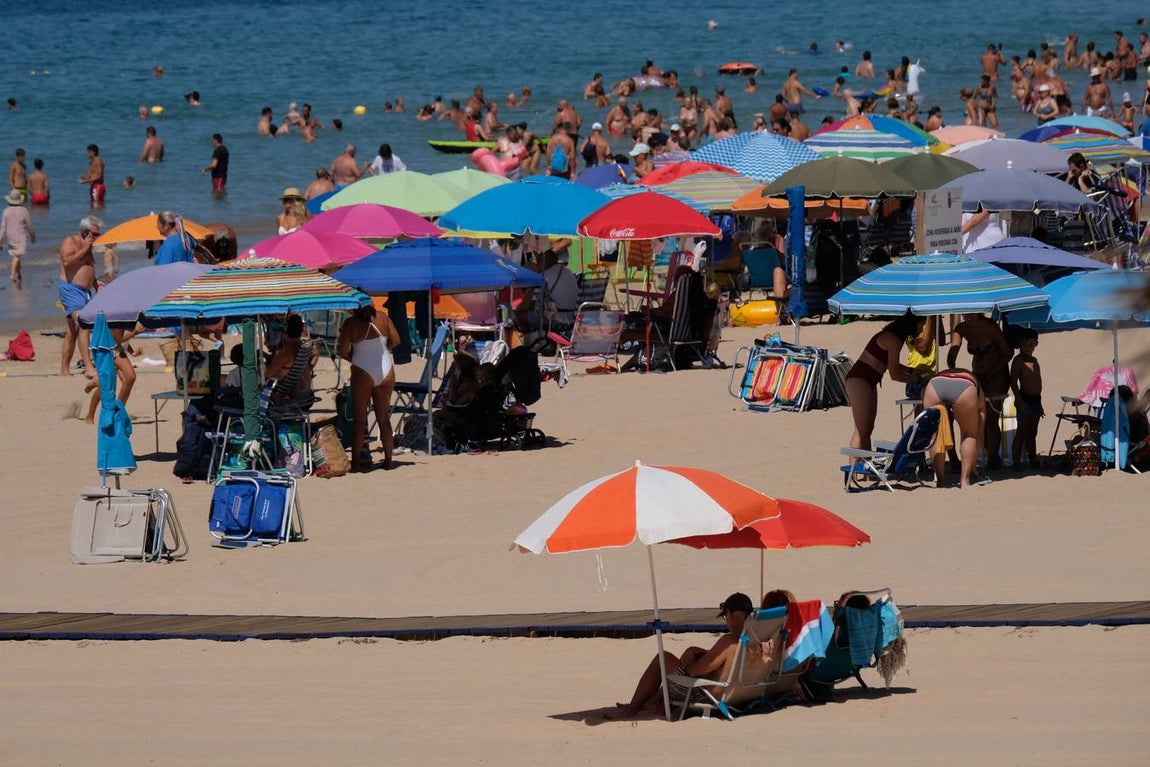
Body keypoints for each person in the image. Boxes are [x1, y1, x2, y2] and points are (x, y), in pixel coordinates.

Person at [610, 592, 762, 719]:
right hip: (736, 692)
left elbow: (695, 671)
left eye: (726, 616)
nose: (726, 621)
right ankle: (656, 701)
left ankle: (633, 708)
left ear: (732, 614)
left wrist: (687, 665)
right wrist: (701, 654)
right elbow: (724, 665)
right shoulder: (754, 640)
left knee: (662, 658)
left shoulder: (729, 641)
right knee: (691, 650)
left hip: (705, 694)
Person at [845, 312, 929, 450]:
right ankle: (853, 470)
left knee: (868, 429)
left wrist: (911, 371)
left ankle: (865, 468)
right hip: (859, 379)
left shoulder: (895, 338)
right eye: (921, 326)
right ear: (912, 324)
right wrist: (916, 379)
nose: (921, 330)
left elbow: (889, 363)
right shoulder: (893, 339)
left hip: (869, 381)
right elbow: (894, 374)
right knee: (861, 430)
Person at [338, 304, 400, 472]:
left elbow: (342, 351)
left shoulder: (350, 323)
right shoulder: (383, 317)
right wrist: (383, 350)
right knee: (384, 419)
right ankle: (388, 462)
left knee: (359, 420)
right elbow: (396, 340)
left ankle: (356, 464)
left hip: (362, 371)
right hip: (386, 369)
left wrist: (356, 358)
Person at [947, 313, 1012, 470]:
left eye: (971, 312)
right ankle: (988, 454)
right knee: (977, 417)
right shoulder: (962, 328)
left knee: (991, 418)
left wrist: (993, 371)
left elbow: (1008, 353)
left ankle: (993, 459)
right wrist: (953, 367)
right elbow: (953, 352)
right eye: (964, 313)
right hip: (978, 375)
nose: (968, 316)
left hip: (997, 375)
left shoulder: (990, 327)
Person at [922, 369, 985, 488]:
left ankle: (940, 480)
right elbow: (979, 434)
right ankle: (965, 480)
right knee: (970, 434)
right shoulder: (978, 386)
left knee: (935, 435)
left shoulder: (944, 374)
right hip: (965, 385)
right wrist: (973, 466)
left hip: (936, 383)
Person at [59, 216, 101, 378]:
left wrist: (96, 284)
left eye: (98, 234)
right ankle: (89, 367)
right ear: (84, 232)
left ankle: (64, 370)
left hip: (85, 292)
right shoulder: (70, 241)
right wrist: (84, 248)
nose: (96, 237)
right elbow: (67, 261)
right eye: (94, 234)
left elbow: (87, 268)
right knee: (84, 324)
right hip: (70, 290)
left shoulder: (89, 246)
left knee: (72, 331)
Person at [265, 314, 318, 404]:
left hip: (287, 400)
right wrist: (307, 369)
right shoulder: (302, 346)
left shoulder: (286, 352)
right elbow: (316, 354)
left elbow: (268, 374)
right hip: (305, 396)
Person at [1009, 329, 1043, 470]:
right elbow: (1013, 382)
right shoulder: (1018, 361)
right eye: (1025, 345)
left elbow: (1037, 382)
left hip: (1036, 400)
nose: (1028, 348)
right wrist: (1020, 400)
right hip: (1024, 399)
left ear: (1036, 344)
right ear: (1020, 344)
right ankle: (1016, 462)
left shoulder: (1034, 361)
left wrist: (1039, 403)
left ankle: (1032, 460)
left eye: (1031, 345)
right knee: (1022, 432)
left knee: (1033, 433)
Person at [1, 188, 34, 283]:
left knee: (16, 255)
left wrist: (0, 240)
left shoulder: (6, 211)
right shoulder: (23, 210)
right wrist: (32, 235)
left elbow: (3, 227)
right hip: (21, 237)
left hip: (10, 237)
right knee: (17, 256)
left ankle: (18, 273)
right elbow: (30, 224)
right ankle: (12, 274)